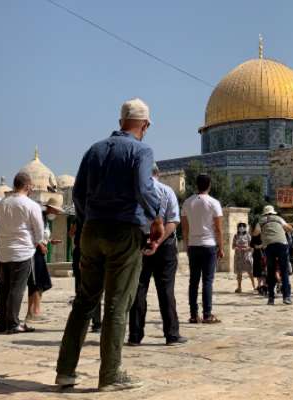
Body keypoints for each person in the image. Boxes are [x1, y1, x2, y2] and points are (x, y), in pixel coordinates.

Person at [56, 98, 163, 392]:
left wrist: (88, 220)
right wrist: (155, 216)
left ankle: (65, 371)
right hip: (124, 231)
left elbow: (77, 193)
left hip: (92, 230)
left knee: (84, 301)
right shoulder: (141, 150)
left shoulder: (95, 149)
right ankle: (111, 374)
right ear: (145, 124)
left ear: (120, 122)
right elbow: (143, 189)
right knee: (117, 304)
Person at [128, 163, 187, 346]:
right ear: (157, 174)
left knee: (138, 289)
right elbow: (173, 221)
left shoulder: (134, 192)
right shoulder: (167, 191)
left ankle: (135, 335)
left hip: (139, 243)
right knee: (166, 290)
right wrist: (157, 242)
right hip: (165, 245)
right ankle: (172, 335)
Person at [0, 172, 44, 334]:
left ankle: (1, 323)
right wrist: (36, 243)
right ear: (27, 186)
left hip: (2, 251)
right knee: (17, 288)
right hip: (22, 252)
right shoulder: (31, 205)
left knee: (3, 288)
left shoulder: (2, 203)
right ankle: (13, 323)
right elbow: (39, 231)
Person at [181, 173, 223, 324]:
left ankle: (193, 315)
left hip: (193, 245)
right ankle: (207, 314)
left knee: (193, 281)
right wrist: (221, 247)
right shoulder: (214, 203)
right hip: (209, 244)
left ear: (196, 185)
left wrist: (187, 244)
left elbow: (184, 228)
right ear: (209, 185)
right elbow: (218, 229)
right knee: (207, 281)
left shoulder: (187, 203)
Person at [25, 197, 63, 323]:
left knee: (41, 283)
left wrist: (50, 241)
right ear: (50, 208)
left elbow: (42, 236)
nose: (57, 214)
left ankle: (36, 311)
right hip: (34, 253)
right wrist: (40, 245)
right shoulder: (39, 217)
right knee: (36, 283)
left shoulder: (45, 219)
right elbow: (31, 235)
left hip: (40, 253)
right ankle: (32, 313)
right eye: (56, 210)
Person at [69, 220, 101, 333]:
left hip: (83, 251)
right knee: (96, 289)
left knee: (81, 289)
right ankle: (96, 323)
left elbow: (71, 233)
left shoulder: (79, 217)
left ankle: (79, 321)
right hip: (94, 251)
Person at [259, 205, 293, 305]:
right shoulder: (279, 218)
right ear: (273, 212)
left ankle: (271, 298)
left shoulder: (261, 220)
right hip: (282, 244)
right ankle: (286, 297)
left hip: (269, 246)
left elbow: (255, 232)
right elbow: (289, 228)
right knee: (284, 271)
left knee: (270, 272)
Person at [232, 222, 254, 293]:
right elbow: (233, 246)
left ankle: (254, 286)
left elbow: (252, 246)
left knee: (250, 271)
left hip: (247, 256)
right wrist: (236, 248)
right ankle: (239, 287)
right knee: (239, 273)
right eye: (240, 226)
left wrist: (247, 248)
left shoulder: (248, 236)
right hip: (238, 256)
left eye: (243, 226)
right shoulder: (235, 236)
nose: (241, 228)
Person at [250, 223, 267, 296]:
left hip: (263, 255)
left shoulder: (264, 235)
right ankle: (260, 286)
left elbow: (267, 243)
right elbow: (251, 244)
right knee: (258, 272)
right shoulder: (254, 236)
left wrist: (260, 246)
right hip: (257, 255)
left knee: (263, 271)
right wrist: (256, 246)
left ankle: (263, 286)